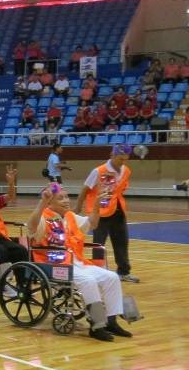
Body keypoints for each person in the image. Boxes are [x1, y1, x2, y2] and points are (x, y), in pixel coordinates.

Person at [27, 184, 134, 342]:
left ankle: (111, 321)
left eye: (67, 196)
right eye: (60, 198)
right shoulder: (43, 216)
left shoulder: (70, 216)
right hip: (54, 265)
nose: (66, 200)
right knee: (88, 281)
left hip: (77, 262)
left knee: (112, 277)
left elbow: (93, 223)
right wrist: (41, 203)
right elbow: (31, 226)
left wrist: (96, 206)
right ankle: (96, 325)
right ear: (49, 202)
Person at [76, 144, 138, 283]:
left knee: (122, 242)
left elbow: (120, 190)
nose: (122, 162)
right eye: (120, 159)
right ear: (112, 155)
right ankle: (98, 272)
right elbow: (85, 189)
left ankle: (123, 272)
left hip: (118, 211)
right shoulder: (98, 171)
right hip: (101, 213)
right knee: (98, 244)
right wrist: (78, 207)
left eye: (125, 159)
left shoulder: (126, 171)